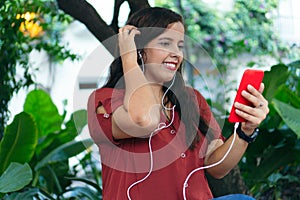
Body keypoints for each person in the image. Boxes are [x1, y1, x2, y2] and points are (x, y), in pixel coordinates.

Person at [87, 7, 269, 200]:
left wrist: (245, 130)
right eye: (166, 43)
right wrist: (130, 60)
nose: (176, 54)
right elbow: (143, 120)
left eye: (180, 46)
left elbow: (217, 167)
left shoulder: (191, 100)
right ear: (137, 48)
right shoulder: (104, 101)